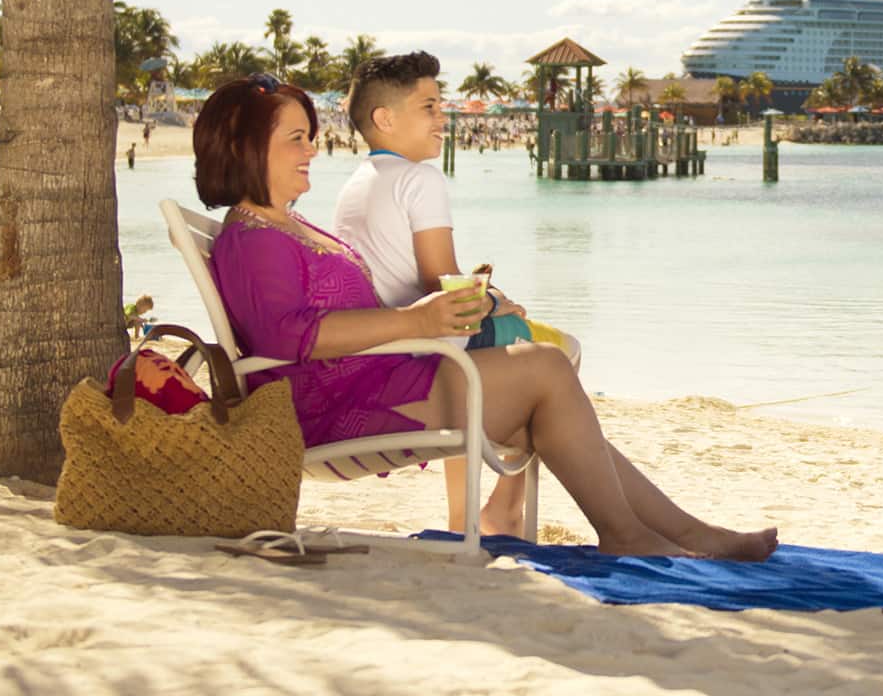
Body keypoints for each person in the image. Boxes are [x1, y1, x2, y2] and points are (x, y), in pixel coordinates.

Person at [199, 75, 773, 559]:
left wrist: (439, 316)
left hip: (377, 377)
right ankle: (628, 535)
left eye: (310, 137)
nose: (311, 151)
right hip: (335, 404)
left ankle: (685, 533)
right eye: (296, 139)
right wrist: (416, 323)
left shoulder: (288, 226)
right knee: (546, 367)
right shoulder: (252, 239)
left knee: (543, 411)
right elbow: (288, 335)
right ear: (247, 147)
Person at [333, 51, 558, 538]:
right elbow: (442, 284)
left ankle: (468, 515)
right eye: (429, 107)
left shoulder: (357, 182)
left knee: (514, 345)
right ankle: (499, 509)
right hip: (427, 351)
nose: (443, 118)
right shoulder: (421, 179)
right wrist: (497, 301)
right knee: (557, 350)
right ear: (385, 118)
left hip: (387, 344)